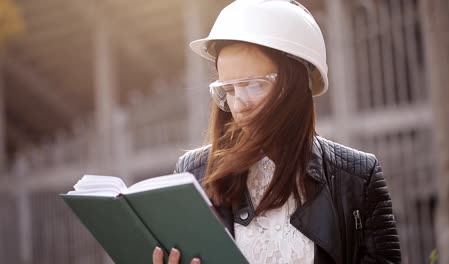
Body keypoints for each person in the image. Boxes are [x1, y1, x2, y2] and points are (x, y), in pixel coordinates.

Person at [153, 0, 401, 263]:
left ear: (295, 84)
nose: (239, 104)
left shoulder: (357, 178)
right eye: (229, 90)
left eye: (254, 85)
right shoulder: (192, 174)